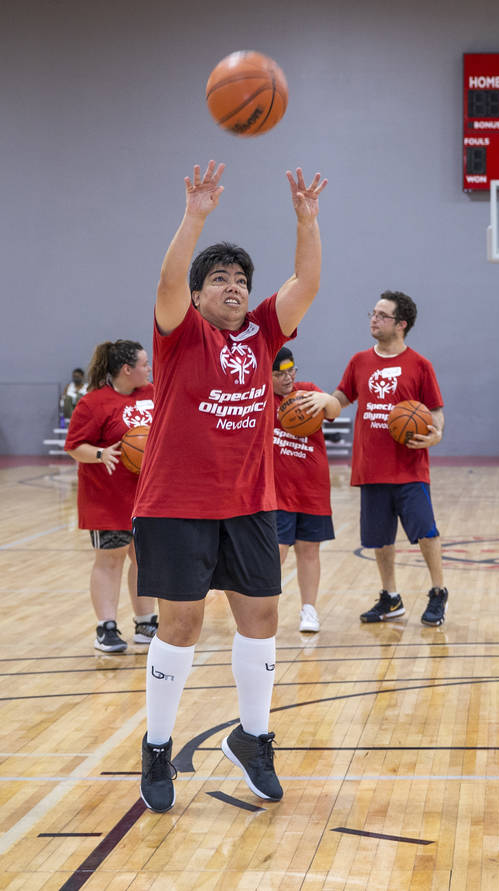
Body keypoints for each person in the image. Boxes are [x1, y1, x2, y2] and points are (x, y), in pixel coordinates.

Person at [132, 160, 328, 814]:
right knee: (182, 624)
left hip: (248, 503)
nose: (234, 286)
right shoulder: (181, 334)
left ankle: (253, 737)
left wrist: (306, 220)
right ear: (197, 298)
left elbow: (306, 282)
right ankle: (157, 745)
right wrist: (194, 216)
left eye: (241, 278)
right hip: (175, 504)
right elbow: (166, 282)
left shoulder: (265, 331)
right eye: (219, 279)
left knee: (263, 617)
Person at [334, 291, 447, 627]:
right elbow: (341, 397)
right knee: (380, 539)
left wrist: (436, 434)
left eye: (382, 315)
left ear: (401, 325)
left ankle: (438, 591)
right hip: (371, 467)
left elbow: (435, 411)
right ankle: (391, 597)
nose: (374, 319)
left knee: (426, 531)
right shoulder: (359, 361)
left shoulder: (420, 365)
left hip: (410, 469)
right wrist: (317, 404)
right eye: (373, 313)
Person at [63, 340, 157, 653]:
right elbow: (75, 446)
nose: (149, 368)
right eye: (144, 364)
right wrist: (101, 454)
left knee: (144, 558)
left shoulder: (154, 394)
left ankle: (146, 622)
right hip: (107, 497)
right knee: (110, 560)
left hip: (147, 497)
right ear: (127, 369)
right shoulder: (94, 403)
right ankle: (106, 627)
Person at [271, 347, 341, 632]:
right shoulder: (260, 399)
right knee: (276, 552)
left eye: (291, 371)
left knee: (309, 550)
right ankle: (266, 609)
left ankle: (309, 609)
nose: (288, 378)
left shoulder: (308, 391)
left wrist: (327, 399)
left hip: (312, 487)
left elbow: (334, 410)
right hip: (277, 492)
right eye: (280, 374)